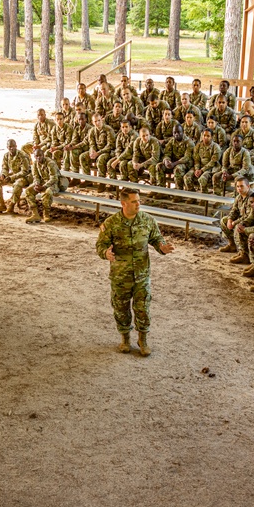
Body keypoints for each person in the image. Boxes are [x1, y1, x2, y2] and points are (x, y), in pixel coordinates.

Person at [95, 187, 173, 355]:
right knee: (121, 307)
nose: (138, 204)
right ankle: (125, 339)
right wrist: (105, 253)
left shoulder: (147, 220)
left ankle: (143, 340)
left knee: (143, 308)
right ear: (123, 203)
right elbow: (100, 245)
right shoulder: (111, 223)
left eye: (139, 200)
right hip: (120, 275)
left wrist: (163, 247)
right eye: (134, 201)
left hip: (142, 274)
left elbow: (156, 238)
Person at [24, 147, 66, 224]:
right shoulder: (35, 164)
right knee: (28, 191)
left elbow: (54, 178)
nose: (38, 157)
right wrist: (37, 184)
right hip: (42, 183)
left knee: (48, 192)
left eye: (40, 155)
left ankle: (46, 214)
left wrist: (44, 187)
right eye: (36, 156)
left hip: (53, 183)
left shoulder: (50, 163)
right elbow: (36, 176)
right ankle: (35, 214)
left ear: (43, 155)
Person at [0, 139, 31, 214]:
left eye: (13, 146)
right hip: (14, 175)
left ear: (16, 146)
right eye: (9, 146)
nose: (11, 148)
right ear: (7, 147)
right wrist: (3, 174)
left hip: (25, 177)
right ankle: (2, 204)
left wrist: (12, 177)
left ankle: (11, 206)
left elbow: (25, 171)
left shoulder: (22, 155)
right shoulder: (6, 155)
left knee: (18, 184)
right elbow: (5, 168)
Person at [219, 179, 254, 255]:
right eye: (237, 186)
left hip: (251, 221)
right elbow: (234, 210)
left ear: (248, 186)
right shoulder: (239, 197)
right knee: (224, 221)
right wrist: (230, 219)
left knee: (238, 227)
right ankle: (231, 245)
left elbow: (249, 216)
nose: (239, 188)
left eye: (241, 186)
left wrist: (234, 222)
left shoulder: (252, 198)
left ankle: (243, 253)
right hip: (242, 219)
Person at [153, 125, 194, 189]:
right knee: (159, 166)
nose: (176, 134)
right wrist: (166, 161)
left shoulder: (189, 142)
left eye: (178, 132)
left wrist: (174, 163)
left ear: (183, 132)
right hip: (173, 163)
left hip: (186, 164)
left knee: (178, 169)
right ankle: (161, 189)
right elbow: (167, 153)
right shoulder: (172, 141)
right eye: (174, 132)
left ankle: (178, 191)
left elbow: (186, 158)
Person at [79, 113, 115, 179]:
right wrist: (92, 151)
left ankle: (102, 180)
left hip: (107, 152)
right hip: (96, 151)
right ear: (92, 122)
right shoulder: (92, 130)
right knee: (82, 157)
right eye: (95, 121)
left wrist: (98, 153)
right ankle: (87, 179)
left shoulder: (108, 129)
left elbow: (110, 145)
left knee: (100, 159)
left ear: (102, 120)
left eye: (99, 120)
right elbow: (91, 143)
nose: (97, 123)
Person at [185, 128, 221, 193]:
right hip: (199, 167)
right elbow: (196, 159)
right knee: (187, 177)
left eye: (208, 136)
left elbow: (212, 162)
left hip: (211, 168)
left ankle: (203, 198)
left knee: (202, 179)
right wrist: (197, 169)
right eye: (204, 136)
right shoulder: (198, 145)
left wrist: (202, 170)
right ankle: (191, 195)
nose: (205, 137)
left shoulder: (216, 147)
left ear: (212, 137)